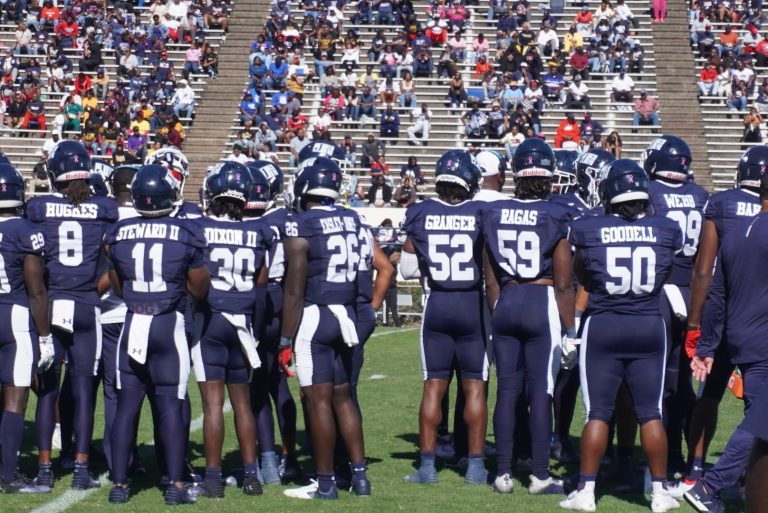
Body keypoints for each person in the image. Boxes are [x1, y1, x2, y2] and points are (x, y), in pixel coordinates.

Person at [560, 159, 682, 513]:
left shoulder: (587, 227)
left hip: (604, 325)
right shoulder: (666, 228)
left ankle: (586, 492)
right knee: (650, 412)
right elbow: (666, 272)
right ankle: (659, 493)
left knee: (597, 412)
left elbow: (584, 274)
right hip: (648, 325)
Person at [104, 164, 210, 505]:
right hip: (168, 324)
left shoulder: (118, 233)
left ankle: (119, 486)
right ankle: (176, 485)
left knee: (126, 407)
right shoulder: (186, 232)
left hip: (134, 320)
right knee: (170, 406)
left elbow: (118, 285)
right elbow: (198, 289)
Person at [670, 146, 765, 502]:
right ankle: (732, 481)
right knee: (758, 411)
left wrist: (699, 329)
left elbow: (705, 273)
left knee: (708, 396)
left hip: (726, 322)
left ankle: (696, 469)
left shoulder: (724, 206)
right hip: (760, 328)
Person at [483, 139, 575, 495]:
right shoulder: (555, 214)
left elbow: (490, 274)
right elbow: (564, 283)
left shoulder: (494, 212)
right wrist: (570, 329)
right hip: (541, 300)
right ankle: (539, 475)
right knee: (541, 391)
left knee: (507, 391)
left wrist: (498, 310)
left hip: (506, 299)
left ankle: (502, 475)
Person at [26, 141, 118, 491]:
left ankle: (46, 469)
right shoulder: (103, 207)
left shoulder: (39, 207)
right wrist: (98, 286)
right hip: (86, 306)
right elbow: (116, 257)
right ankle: (81, 468)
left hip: (50, 307)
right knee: (84, 391)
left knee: (48, 391)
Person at [280, 157, 370, 500]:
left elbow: (294, 290)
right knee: (344, 396)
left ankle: (326, 482)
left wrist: (285, 338)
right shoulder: (354, 218)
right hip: (346, 315)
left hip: (316, 317)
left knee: (318, 401)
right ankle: (360, 479)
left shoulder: (301, 224)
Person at [400, 150, 489, 486]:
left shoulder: (421, 212)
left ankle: (426, 468)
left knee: (434, 386)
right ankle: (476, 468)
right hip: (471, 304)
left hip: (437, 304)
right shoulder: (481, 211)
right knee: (475, 387)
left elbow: (407, 269)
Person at [190, 162, 272, 499]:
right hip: (242, 324)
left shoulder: (199, 229)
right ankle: (251, 477)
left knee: (212, 405)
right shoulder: (258, 233)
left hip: (210, 322)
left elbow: (193, 279)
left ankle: (213, 479)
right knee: (243, 405)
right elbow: (261, 285)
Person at [644, 136, 709, 479]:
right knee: (686, 380)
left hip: (662, 290)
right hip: (694, 292)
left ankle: (665, 457)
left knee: (661, 380)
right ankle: (690, 459)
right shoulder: (701, 195)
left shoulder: (651, 192)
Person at [244, 160, 302, 482]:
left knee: (257, 386)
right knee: (279, 383)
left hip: (260, 299)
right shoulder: (289, 219)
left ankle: (266, 463)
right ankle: (289, 456)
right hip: (288, 302)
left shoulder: (253, 223)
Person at [0, 164, 52, 493]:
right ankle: (8, 474)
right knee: (15, 398)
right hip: (14, 315)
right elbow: (36, 289)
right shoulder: (24, 229)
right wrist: (45, 337)